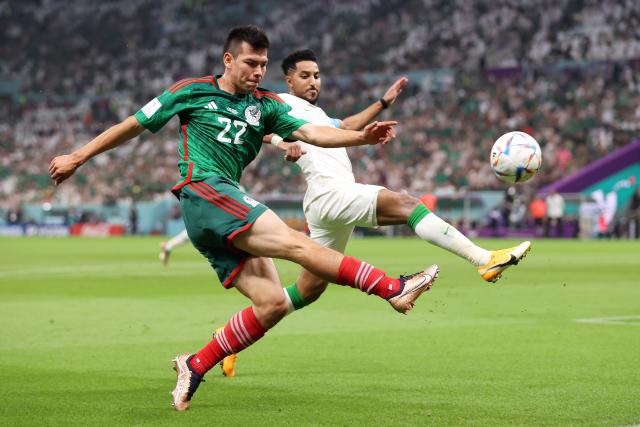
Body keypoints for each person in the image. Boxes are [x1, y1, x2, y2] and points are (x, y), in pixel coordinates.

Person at [48, 26, 439, 411]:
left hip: (218, 210)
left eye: (264, 65)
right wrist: (77, 157)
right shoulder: (191, 90)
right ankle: (390, 287)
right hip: (204, 190)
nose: (257, 72)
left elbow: (312, 133)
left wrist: (361, 139)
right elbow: (133, 125)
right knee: (299, 246)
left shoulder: (266, 105)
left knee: (271, 303)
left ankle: (195, 363)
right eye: (250, 63)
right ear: (228, 59)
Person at [217, 49, 531, 376]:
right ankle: (483, 260)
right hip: (330, 193)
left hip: (326, 203)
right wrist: (282, 143)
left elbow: (346, 126)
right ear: (289, 81)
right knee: (408, 204)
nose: (313, 82)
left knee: (308, 291)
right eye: (305, 76)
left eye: (317, 75)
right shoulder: (279, 102)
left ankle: (229, 342)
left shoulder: (316, 112)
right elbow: (257, 126)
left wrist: (382, 103)